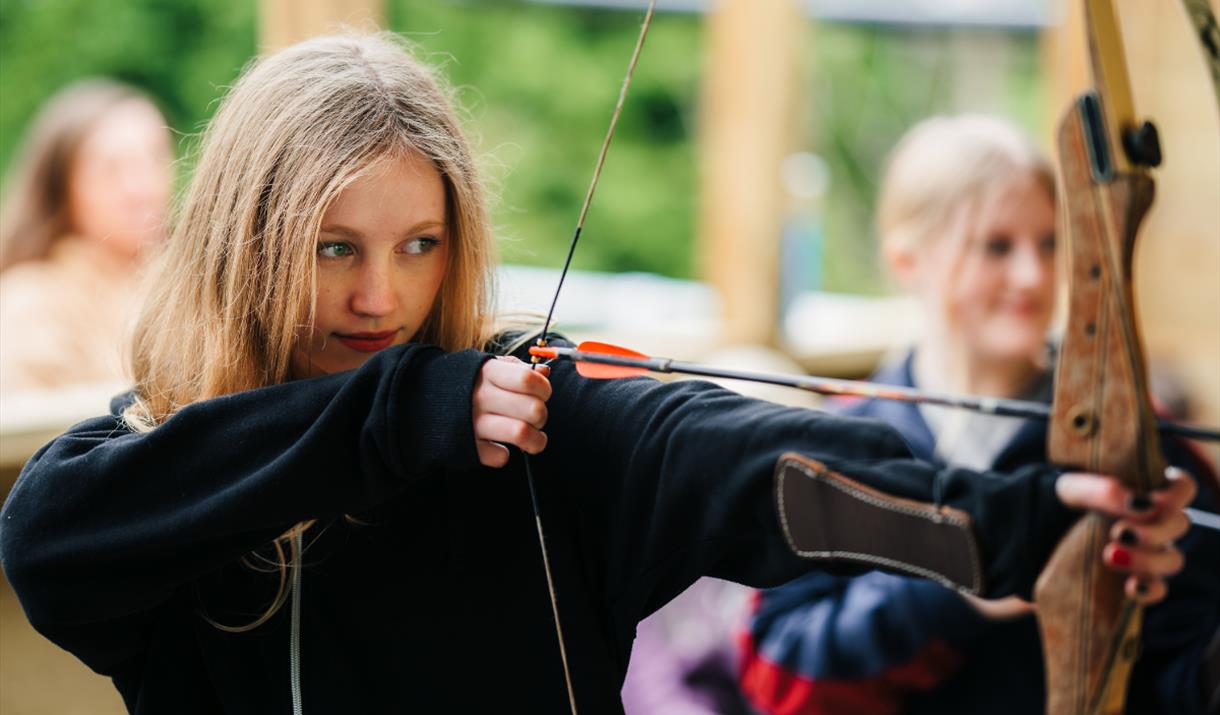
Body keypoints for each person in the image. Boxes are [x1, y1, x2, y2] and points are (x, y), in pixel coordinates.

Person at [0, 37, 1195, 714]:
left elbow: (737, 460)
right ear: (249, 249)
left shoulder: (528, 433)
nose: (381, 296)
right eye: (334, 250)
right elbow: (47, 540)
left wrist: (1023, 525)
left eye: (419, 246)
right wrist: (392, 415)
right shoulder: (165, 466)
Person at [739, 115, 1220, 715]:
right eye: (997, 245)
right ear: (907, 259)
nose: (1034, 275)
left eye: (1049, 243)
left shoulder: (1129, 435)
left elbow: (1185, 661)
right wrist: (965, 579)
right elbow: (779, 679)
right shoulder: (837, 442)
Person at [0, 78, 174, 393]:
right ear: (63, 188)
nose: (140, 187)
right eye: (111, 169)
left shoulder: (191, 285)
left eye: (155, 158)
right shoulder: (30, 304)